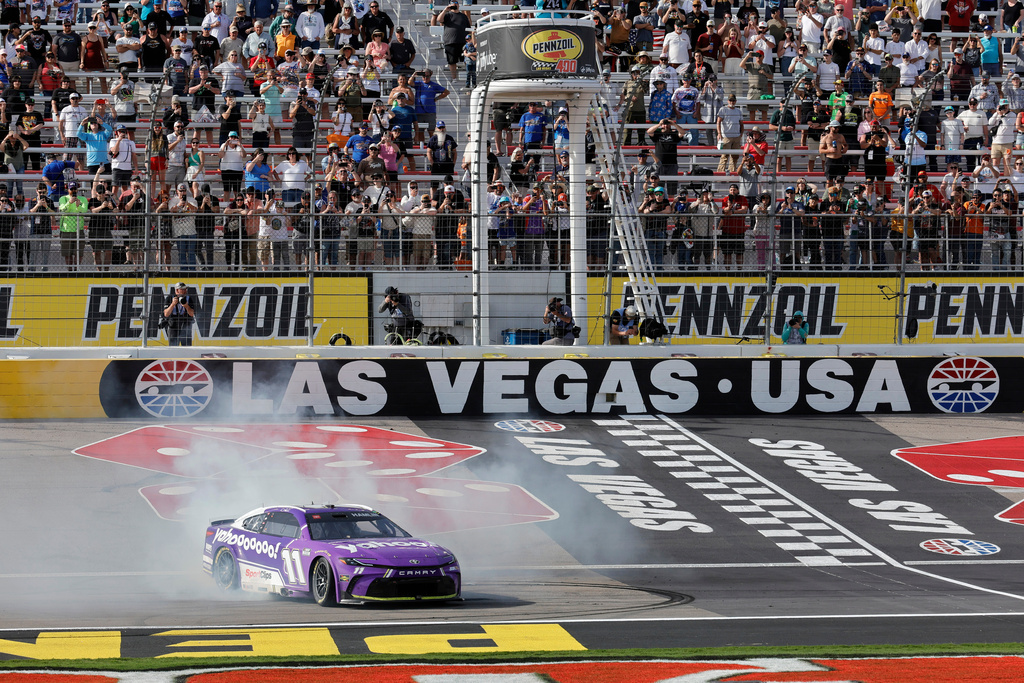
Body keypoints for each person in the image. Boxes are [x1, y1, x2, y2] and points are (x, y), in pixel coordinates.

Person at [162, 282, 196, 346]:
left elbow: (192, 314)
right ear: (177, 290)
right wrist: (173, 304)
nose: (185, 291)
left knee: (187, 347)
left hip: (186, 325)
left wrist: (186, 306)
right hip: (173, 326)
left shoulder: (188, 299)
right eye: (183, 289)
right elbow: (166, 314)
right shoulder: (170, 298)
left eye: (185, 289)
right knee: (173, 347)